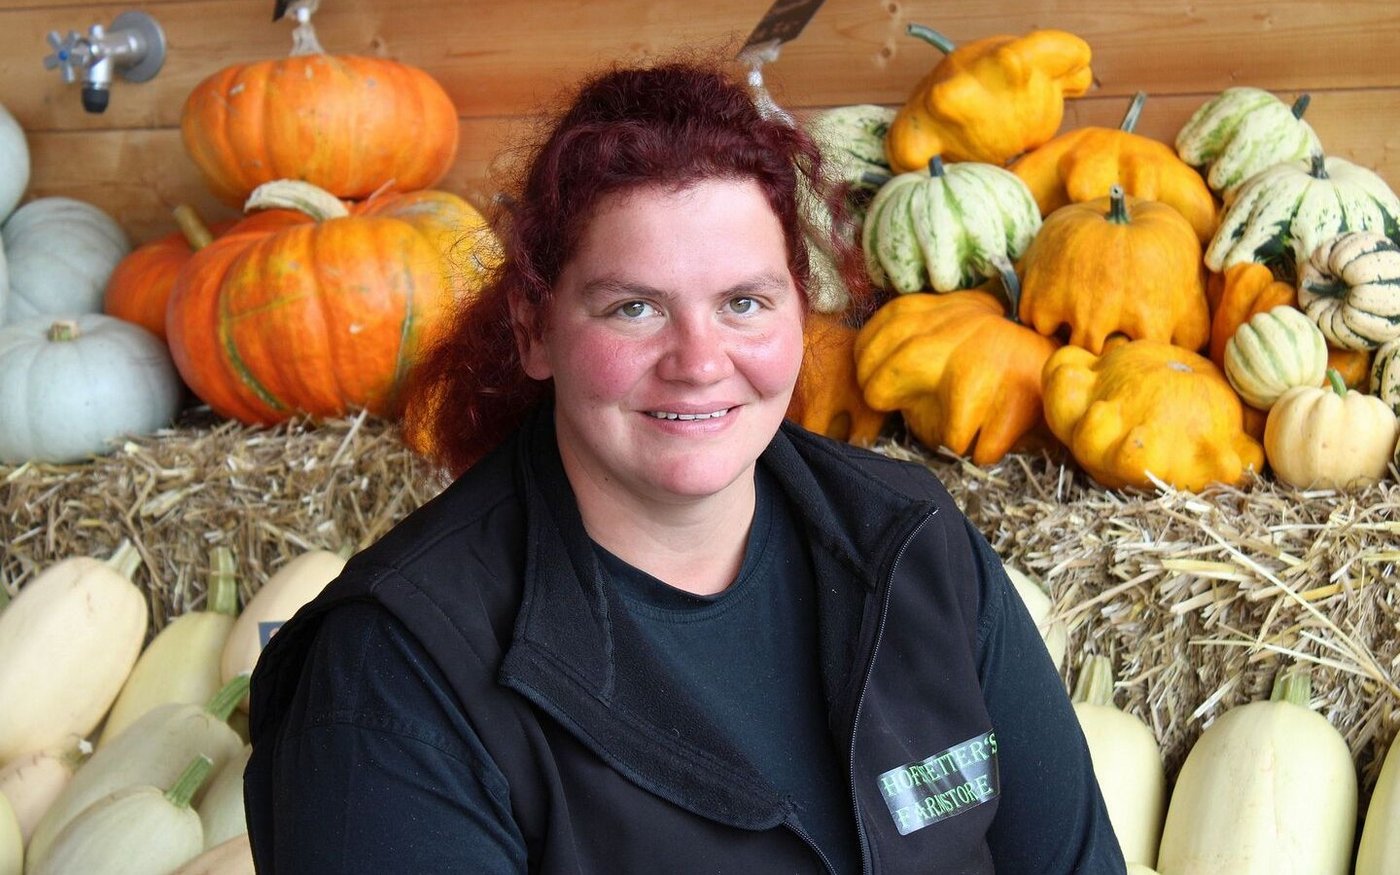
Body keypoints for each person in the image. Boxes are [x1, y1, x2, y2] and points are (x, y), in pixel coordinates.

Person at [243, 55, 1125, 874]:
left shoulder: (909, 540)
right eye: (634, 309)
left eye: (744, 301)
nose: (700, 361)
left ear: (800, 310)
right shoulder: (397, 673)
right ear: (533, 328)